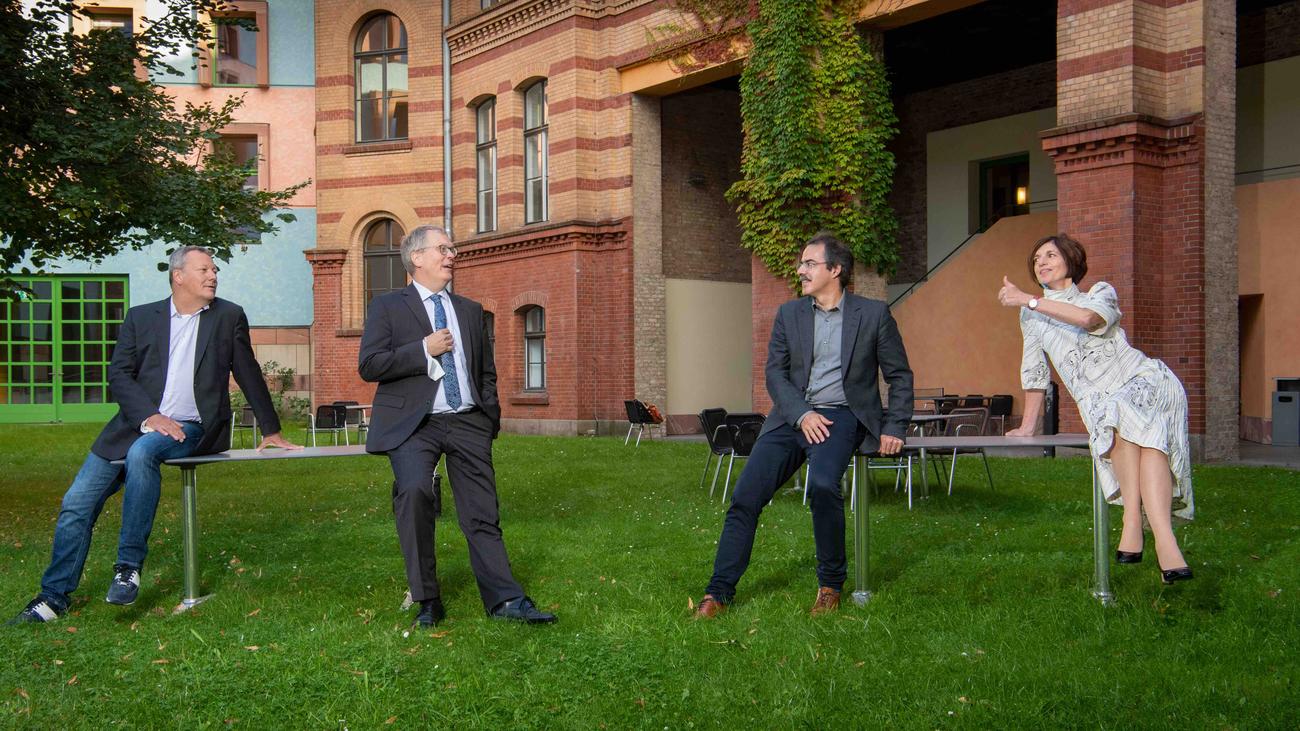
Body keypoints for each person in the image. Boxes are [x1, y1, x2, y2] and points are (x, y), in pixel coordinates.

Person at [10, 246, 300, 624]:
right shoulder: (141, 317)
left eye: (214, 270)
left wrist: (271, 428)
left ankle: (128, 568)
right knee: (76, 504)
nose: (213, 276)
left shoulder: (228, 316)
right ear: (178, 276)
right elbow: (119, 375)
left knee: (143, 453)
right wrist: (150, 416)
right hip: (133, 425)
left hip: (192, 427)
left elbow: (247, 371)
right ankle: (53, 597)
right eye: (204, 270)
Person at [693, 231, 914, 618]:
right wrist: (801, 414)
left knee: (824, 486)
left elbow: (899, 375)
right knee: (745, 496)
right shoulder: (789, 314)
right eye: (801, 263)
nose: (801, 270)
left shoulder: (873, 315)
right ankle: (718, 594)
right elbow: (775, 374)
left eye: (810, 263)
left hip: (841, 415)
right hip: (791, 416)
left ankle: (830, 586)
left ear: (835, 269)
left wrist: (894, 427)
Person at [359, 225, 555, 627]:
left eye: (453, 249)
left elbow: (485, 370)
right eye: (443, 249)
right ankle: (427, 599)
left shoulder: (469, 310)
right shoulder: (388, 307)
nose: (452, 255)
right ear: (416, 257)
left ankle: (505, 600)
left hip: (468, 420)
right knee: (415, 494)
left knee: (482, 509)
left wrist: (488, 416)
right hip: (414, 424)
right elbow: (370, 364)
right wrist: (423, 350)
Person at [998, 233, 1194, 585]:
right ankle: (1156, 537)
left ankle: (1143, 527)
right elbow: (1035, 372)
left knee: (1124, 412)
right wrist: (1028, 426)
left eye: (1049, 255)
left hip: (1142, 380)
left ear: (1070, 260)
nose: (1041, 262)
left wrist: (1029, 299)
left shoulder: (1100, 293)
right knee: (1129, 426)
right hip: (1099, 400)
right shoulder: (1032, 318)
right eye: (1036, 259)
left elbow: (1089, 319)